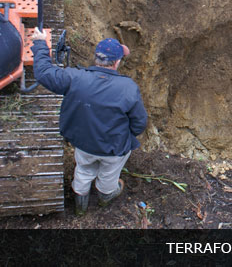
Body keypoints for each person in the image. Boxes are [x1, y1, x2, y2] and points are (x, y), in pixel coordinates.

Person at [31, 29, 148, 216]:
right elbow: (139, 122)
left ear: (97, 58)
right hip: (113, 147)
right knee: (109, 175)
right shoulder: (127, 88)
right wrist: (128, 135)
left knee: (84, 168)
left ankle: (80, 202)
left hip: (83, 142)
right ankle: (105, 195)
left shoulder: (75, 78)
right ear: (117, 62)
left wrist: (39, 44)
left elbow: (44, 73)